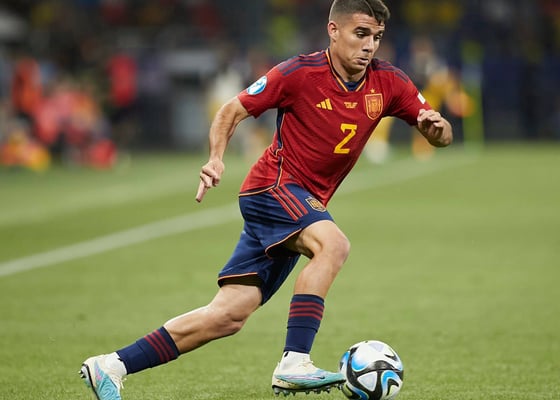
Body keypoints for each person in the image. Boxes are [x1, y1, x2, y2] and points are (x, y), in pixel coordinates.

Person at [79, 1, 453, 399]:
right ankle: (295, 362)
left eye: (376, 37)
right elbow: (232, 110)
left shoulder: (388, 82)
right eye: (360, 34)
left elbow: (442, 134)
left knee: (227, 315)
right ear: (333, 30)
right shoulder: (298, 73)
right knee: (333, 245)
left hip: (301, 203)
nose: (369, 46)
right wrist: (216, 158)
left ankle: (110, 366)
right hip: (273, 188)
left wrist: (437, 130)